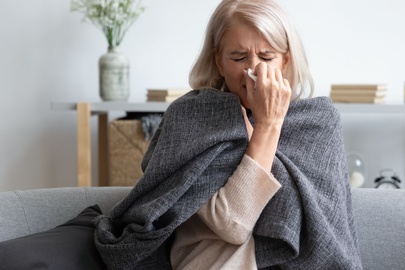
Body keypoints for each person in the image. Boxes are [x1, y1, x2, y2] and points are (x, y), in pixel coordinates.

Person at [94, 0, 363, 269]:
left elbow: (330, 234)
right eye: (239, 57)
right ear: (219, 62)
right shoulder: (192, 118)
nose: (254, 70)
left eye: (267, 57)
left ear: (285, 61)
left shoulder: (318, 123)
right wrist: (269, 125)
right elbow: (232, 223)